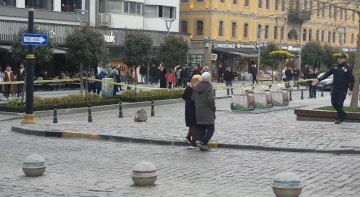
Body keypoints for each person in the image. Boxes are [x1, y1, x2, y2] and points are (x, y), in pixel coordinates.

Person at [312, 53, 355, 124]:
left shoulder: (347, 68)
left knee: (340, 102)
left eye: (340, 58)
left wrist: (350, 89)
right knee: (334, 102)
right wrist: (318, 79)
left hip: (343, 88)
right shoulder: (334, 66)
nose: (339, 59)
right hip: (335, 87)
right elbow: (327, 74)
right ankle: (342, 114)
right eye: (338, 58)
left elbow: (352, 80)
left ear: (344, 59)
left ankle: (339, 118)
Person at [192, 72, 216, 151]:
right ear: (209, 79)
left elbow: (193, 98)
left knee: (202, 128)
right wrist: (213, 108)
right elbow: (211, 99)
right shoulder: (209, 87)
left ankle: (202, 145)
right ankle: (203, 142)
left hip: (199, 110)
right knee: (210, 128)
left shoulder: (197, 87)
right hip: (207, 110)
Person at [182, 75, 202, 148]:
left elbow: (183, 97)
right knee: (194, 125)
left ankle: (188, 137)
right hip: (194, 109)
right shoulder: (195, 89)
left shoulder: (188, 88)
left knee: (192, 124)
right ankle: (194, 142)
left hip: (188, 108)